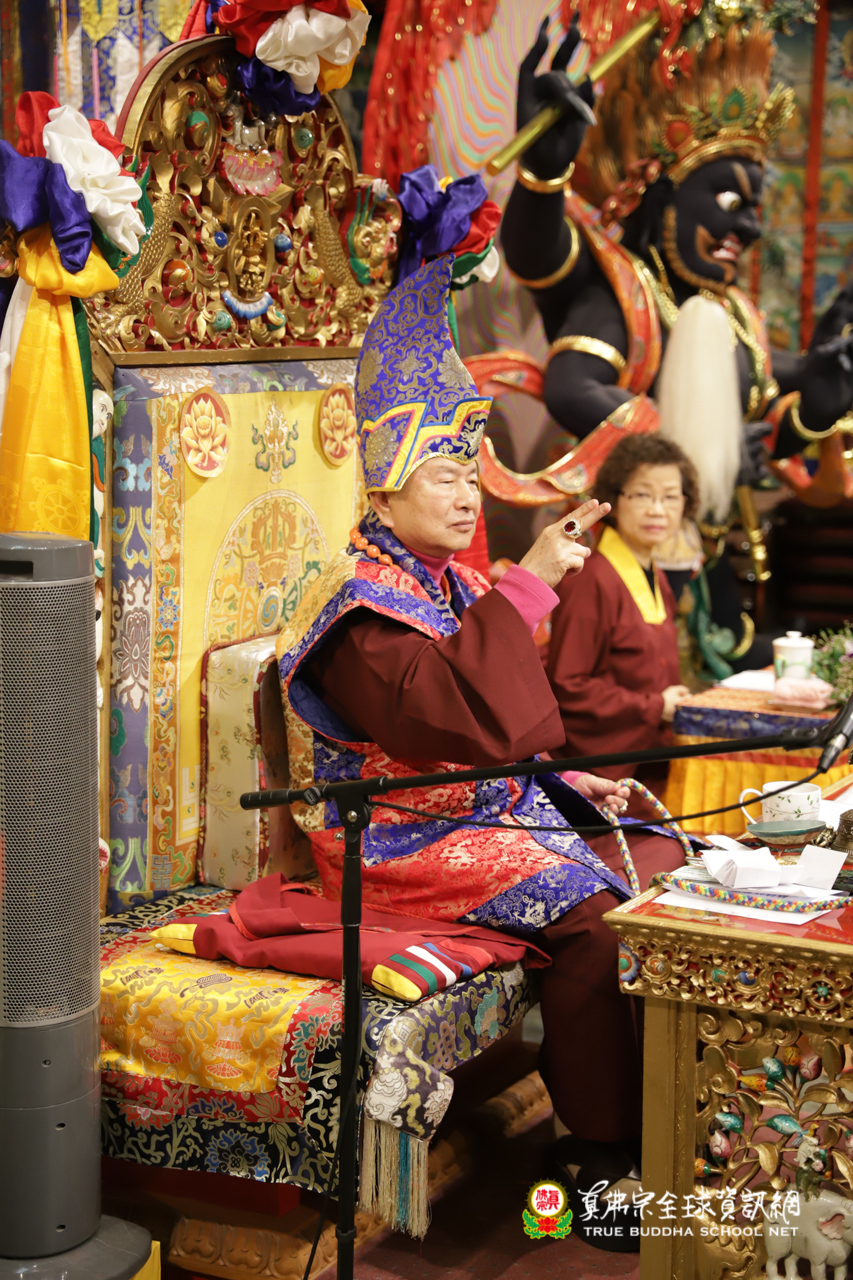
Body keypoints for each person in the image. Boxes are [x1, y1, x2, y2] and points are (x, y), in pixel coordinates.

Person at [276, 257, 688, 1251]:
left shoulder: (448, 583)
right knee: (593, 921)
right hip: (393, 838)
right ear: (385, 491)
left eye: (473, 475)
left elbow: (503, 724)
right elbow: (440, 722)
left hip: (475, 808)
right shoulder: (360, 608)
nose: (467, 497)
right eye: (445, 476)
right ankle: (598, 1153)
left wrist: (565, 780)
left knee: (661, 859)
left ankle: (667, 1116)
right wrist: (529, 584)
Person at [499, 3, 853, 678]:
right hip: (618, 571)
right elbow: (569, 375)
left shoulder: (733, 316)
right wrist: (542, 177)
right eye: (730, 203)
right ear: (661, 197)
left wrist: (814, 406)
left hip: (713, 582)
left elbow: (756, 441)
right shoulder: (624, 294)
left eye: (755, 209)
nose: (749, 229)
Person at [547, 435, 697, 798]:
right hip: (606, 777)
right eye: (642, 495)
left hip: (652, 758)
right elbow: (568, 686)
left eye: (670, 497)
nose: (657, 510)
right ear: (614, 499)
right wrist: (656, 706)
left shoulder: (657, 576)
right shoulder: (590, 579)